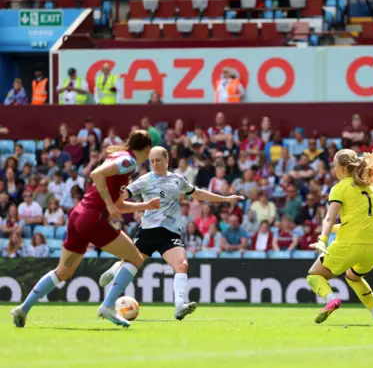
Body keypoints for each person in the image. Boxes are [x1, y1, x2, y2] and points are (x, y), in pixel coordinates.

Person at [9, 130, 157, 328]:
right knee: (135, 258)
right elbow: (96, 175)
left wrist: (145, 206)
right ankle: (108, 305)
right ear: (146, 149)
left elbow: (118, 203)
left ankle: (23, 309)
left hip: (78, 215)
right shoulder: (128, 161)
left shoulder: (120, 158)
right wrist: (109, 205)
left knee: (64, 271)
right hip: (92, 218)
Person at [99, 146, 244, 320]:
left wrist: (226, 199)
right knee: (130, 264)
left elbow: (197, 193)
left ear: (167, 160)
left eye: (158, 160)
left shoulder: (177, 180)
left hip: (170, 233)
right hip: (148, 232)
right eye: (151, 161)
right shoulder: (145, 180)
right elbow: (123, 195)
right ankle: (116, 269)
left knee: (181, 264)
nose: (154, 164)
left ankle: (180, 306)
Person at [306, 148, 373, 326]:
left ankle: (331, 300)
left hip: (349, 246)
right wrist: (333, 230)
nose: (334, 169)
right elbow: (360, 220)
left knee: (314, 276)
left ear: (343, 168)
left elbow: (329, 217)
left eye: (335, 166)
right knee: (353, 277)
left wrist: (323, 239)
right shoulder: (369, 187)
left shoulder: (340, 188)